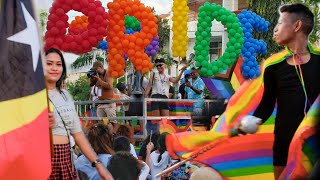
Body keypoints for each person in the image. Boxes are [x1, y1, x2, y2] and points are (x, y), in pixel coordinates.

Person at [234, 4, 320, 179]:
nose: (275, 30)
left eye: (280, 23)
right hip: (283, 144)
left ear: (296, 26)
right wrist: (247, 124)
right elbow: (265, 107)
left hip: (315, 146)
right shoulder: (273, 68)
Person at [45, 48, 112, 180]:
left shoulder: (65, 95)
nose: (54, 68)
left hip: (65, 161)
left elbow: (78, 134)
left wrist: (98, 165)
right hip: (43, 159)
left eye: (58, 64)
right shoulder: (32, 94)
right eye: (49, 63)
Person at [145, 58, 187, 134]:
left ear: (164, 65)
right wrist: (145, 97)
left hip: (164, 97)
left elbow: (175, 81)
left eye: (160, 65)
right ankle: (155, 137)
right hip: (155, 96)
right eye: (157, 66)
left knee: (165, 120)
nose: (158, 67)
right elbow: (149, 85)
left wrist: (182, 72)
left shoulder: (167, 76)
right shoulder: (153, 74)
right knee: (156, 120)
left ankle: (164, 137)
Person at [89, 61, 117, 130]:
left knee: (112, 122)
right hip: (100, 103)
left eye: (97, 69)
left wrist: (99, 80)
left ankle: (113, 136)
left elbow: (109, 86)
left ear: (101, 67)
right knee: (100, 124)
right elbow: (91, 84)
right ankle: (103, 138)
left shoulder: (108, 73)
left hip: (109, 103)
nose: (96, 70)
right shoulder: (97, 75)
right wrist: (92, 77)